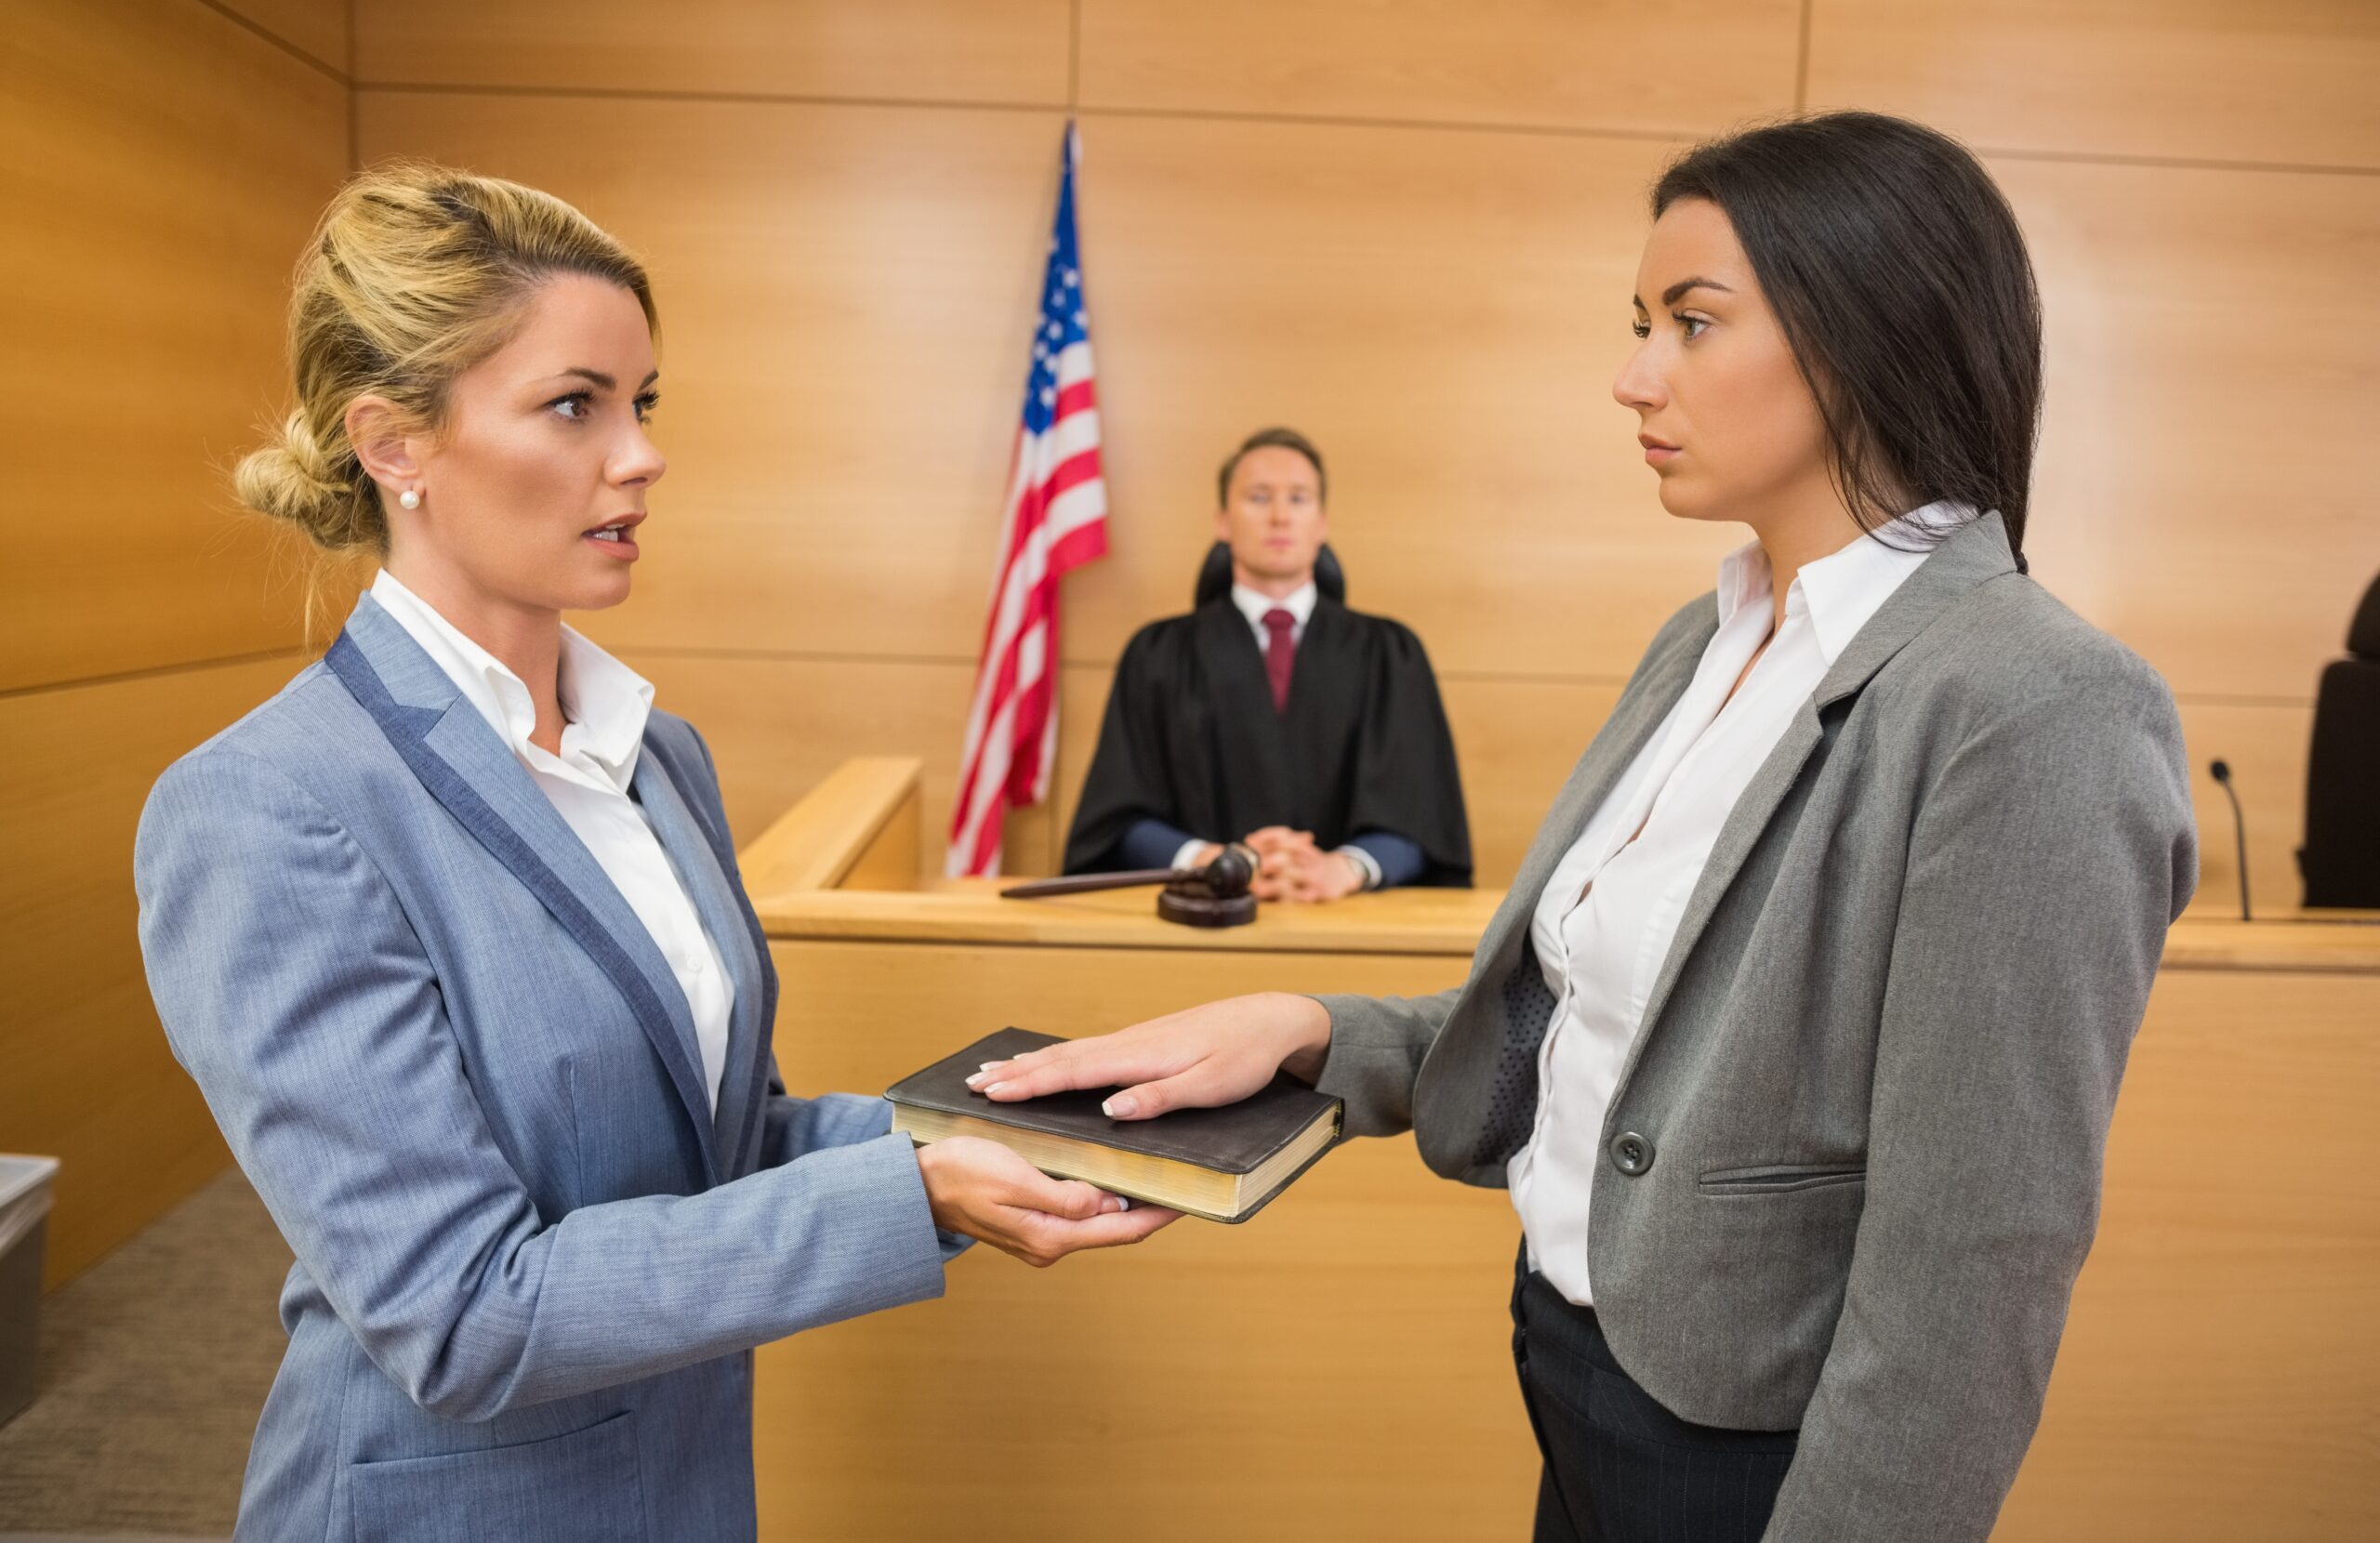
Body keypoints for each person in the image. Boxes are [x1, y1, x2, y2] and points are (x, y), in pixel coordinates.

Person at [968, 112, 2197, 1542]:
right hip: (1576, 1376)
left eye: (1690, 322)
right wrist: (1308, 1028)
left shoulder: (2036, 703)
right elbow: (1613, 1027)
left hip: (1752, 1459)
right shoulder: (1709, 632)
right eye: (1640, 323)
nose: (1632, 377)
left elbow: (1970, 1272)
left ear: (1865, 333)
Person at [132, 164, 1176, 1543]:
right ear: (394, 443)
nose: (641, 454)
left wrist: (980, 1127)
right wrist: (904, 1187)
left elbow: (722, 1143)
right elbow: (461, 1310)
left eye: (643, 404)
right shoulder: (267, 807)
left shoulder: (656, 748)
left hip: (678, 1482)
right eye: (575, 404)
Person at [1063, 426, 1473, 901]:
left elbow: (1424, 818)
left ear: (1321, 522)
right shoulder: (1158, 655)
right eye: (1259, 497)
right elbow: (1117, 821)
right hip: (1201, 926)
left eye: (1298, 499)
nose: (1280, 516)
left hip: (1350, 929)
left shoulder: (1390, 655)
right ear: (1222, 520)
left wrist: (1344, 868)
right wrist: (1214, 862)